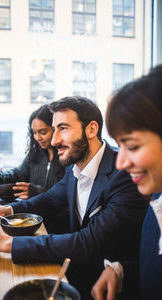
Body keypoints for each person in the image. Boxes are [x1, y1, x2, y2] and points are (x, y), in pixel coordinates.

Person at [0, 96, 148, 300]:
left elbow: (89, 242)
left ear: (91, 130)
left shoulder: (124, 174)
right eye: (54, 129)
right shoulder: (75, 166)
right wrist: (11, 210)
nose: (54, 139)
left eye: (63, 128)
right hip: (77, 271)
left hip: (112, 287)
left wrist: (8, 243)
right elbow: (50, 199)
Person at [91, 64, 162, 300]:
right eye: (119, 147)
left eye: (132, 146)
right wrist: (121, 271)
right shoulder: (156, 201)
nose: (121, 163)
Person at [0, 104, 65, 200]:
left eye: (43, 132)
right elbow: (18, 175)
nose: (37, 138)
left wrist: (39, 192)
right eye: (34, 132)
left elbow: (65, 196)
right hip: (31, 210)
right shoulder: (35, 154)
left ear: (55, 129)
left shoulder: (66, 158)